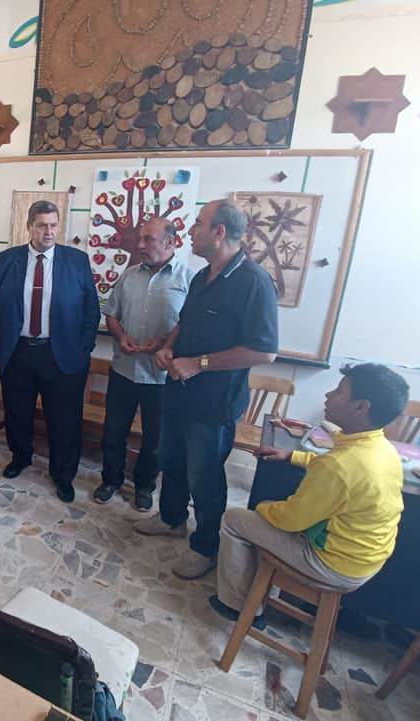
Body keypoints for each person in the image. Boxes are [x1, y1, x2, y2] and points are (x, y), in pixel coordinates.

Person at [135, 199, 279, 581]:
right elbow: (184, 323)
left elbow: (264, 351)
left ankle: (205, 546)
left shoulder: (254, 282)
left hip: (214, 404)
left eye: (198, 223)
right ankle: (171, 519)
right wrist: (168, 348)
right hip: (177, 392)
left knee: (205, 476)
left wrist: (198, 364)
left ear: (219, 232)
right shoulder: (202, 276)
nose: (191, 230)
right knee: (170, 460)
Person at [210, 363, 409, 628]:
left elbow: (291, 520)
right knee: (268, 517)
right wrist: (292, 455)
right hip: (365, 559)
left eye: (339, 391)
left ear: (361, 407)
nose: (328, 396)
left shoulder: (340, 466)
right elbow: (333, 465)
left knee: (235, 519)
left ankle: (238, 606)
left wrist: (262, 508)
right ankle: (258, 590)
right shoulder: (381, 448)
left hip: (333, 563)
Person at [0, 200, 100, 502]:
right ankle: (20, 457)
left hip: (62, 355)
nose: (49, 231)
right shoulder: (7, 260)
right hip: (18, 351)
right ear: (29, 227)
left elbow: (91, 311)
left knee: (64, 419)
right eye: (42, 225)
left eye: (54, 225)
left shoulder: (77, 261)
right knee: (18, 412)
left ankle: (63, 474)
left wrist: (83, 349)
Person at [92, 218, 193, 511]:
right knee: (114, 432)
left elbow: (189, 326)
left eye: (148, 239)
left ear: (170, 242)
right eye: (140, 239)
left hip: (160, 378)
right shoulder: (129, 275)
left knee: (155, 440)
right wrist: (120, 336)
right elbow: (111, 314)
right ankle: (110, 480)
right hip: (123, 369)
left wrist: (166, 343)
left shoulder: (189, 280)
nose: (139, 245)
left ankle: (144, 486)